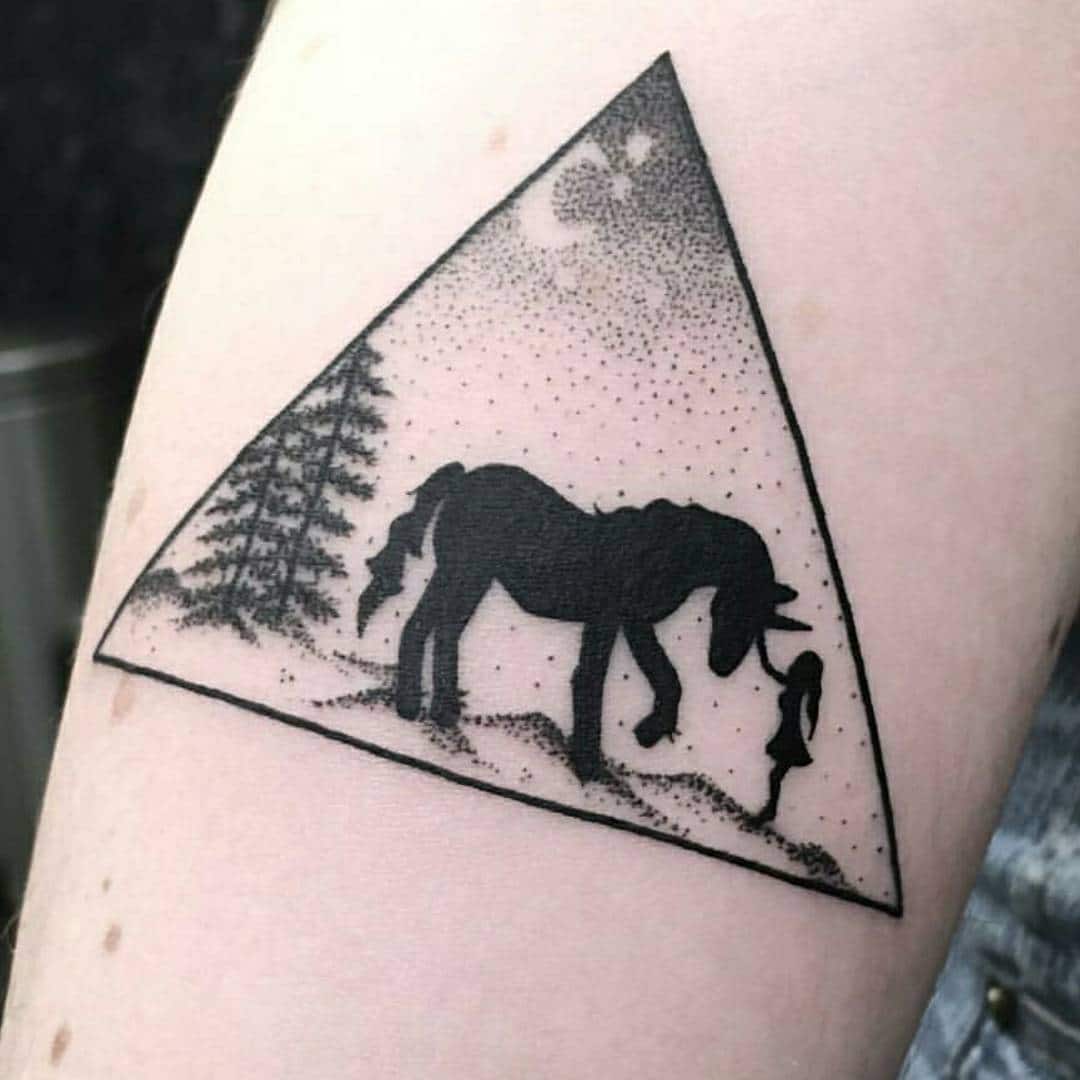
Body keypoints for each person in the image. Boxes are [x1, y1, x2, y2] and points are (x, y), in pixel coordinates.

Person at [2, 5, 1079, 1077]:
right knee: (446, 606)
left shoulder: (667, 566)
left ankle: (460, 698)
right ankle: (450, 700)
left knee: (454, 609)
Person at [754, 650, 823, 825]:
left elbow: (771, 671)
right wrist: (761, 648)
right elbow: (770, 670)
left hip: (791, 739)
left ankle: (771, 810)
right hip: (788, 735)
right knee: (775, 776)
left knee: (775, 776)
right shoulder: (796, 687)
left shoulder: (797, 689)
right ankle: (771, 810)